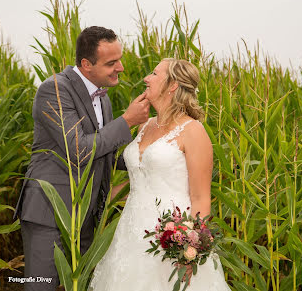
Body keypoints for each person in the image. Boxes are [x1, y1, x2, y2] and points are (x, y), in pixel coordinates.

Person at [13, 26, 150, 291]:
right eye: (111, 63)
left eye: (119, 59)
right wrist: (127, 121)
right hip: (50, 213)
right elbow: (79, 150)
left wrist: (149, 152)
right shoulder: (53, 90)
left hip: (86, 216)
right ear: (86, 64)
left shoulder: (104, 99)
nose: (120, 67)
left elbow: (104, 156)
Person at [89, 58, 230, 290]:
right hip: (131, 234)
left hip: (172, 236)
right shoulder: (145, 125)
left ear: (172, 85)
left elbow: (201, 198)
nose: (146, 78)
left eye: (154, 74)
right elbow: (140, 181)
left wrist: (190, 251)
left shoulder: (193, 130)